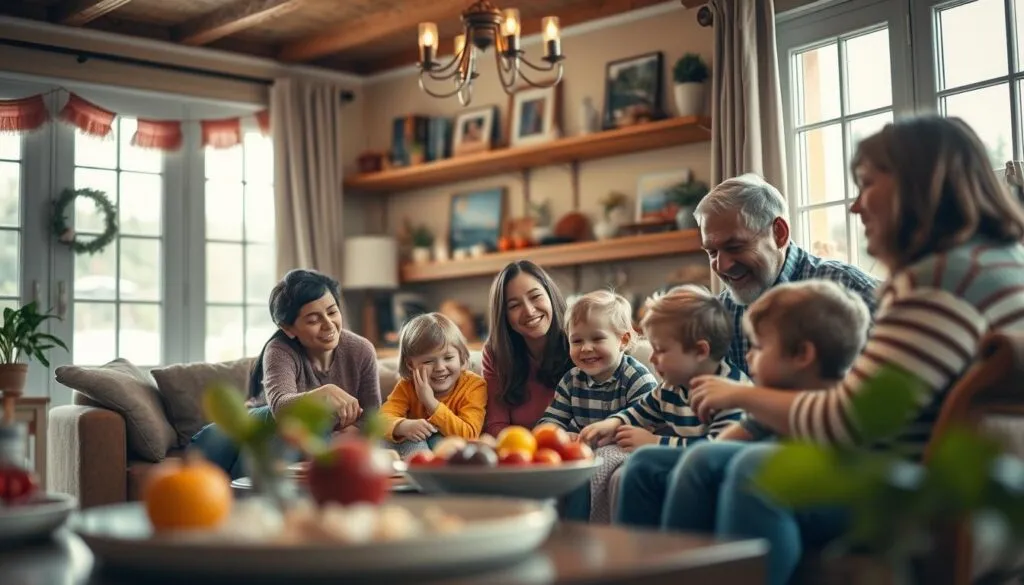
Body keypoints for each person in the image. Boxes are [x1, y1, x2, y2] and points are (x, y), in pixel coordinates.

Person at [648, 116, 1024, 585]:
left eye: (867, 185)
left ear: (919, 185)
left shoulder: (939, 281)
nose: (854, 205)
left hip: (920, 490)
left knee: (745, 473)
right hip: (950, 482)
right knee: (663, 464)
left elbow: (851, 419)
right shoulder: (993, 262)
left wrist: (738, 395)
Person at [190, 269, 382, 479]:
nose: (328, 324)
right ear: (288, 328)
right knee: (287, 425)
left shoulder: (361, 350)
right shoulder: (280, 350)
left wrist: (353, 433)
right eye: (313, 319)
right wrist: (324, 393)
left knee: (309, 432)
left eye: (332, 311)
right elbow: (281, 407)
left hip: (301, 439)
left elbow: (373, 418)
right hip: (246, 431)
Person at [694, 172, 879, 375]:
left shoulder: (855, 292)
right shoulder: (722, 315)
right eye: (712, 252)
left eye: (735, 246)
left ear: (779, 233)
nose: (722, 266)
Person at [580, 284, 749, 451]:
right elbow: (641, 411)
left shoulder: (730, 394)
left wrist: (655, 442)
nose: (651, 358)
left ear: (700, 351)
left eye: (660, 350)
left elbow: (717, 450)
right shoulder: (671, 387)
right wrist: (613, 423)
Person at [715, 280, 870, 442]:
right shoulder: (774, 403)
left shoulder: (844, 408)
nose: (748, 356)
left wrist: (740, 394)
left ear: (802, 354)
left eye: (758, 347)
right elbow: (721, 445)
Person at [536, 290, 658, 434]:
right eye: (576, 341)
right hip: (585, 450)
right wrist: (554, 435)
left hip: (625, 449)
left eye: (597, 338)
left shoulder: (637, 379)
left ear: (623, 340)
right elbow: (552, 421)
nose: (586, 348)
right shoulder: (571, 380)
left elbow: (647, 424)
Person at [482, 261, 574, 437]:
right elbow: (496, 426)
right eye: (514, 305)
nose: (530, 311)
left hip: (574, 451)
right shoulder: (496, 353)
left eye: (535, 296)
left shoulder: (578, 341)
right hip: (521, 454)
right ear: (504, 315)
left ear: (550, 295)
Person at [380, 313, 487, 458]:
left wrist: (430, 402)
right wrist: (402, 426)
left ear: (461, 356)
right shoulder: (407, 386)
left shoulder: (474, 386)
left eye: (448, 358)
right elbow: (381, 420)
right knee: (406, 440)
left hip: (452, 451)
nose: (440, 367)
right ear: (411, 365)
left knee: (442, 441)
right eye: (428, 361)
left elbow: (469, 434)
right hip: (415, 447)